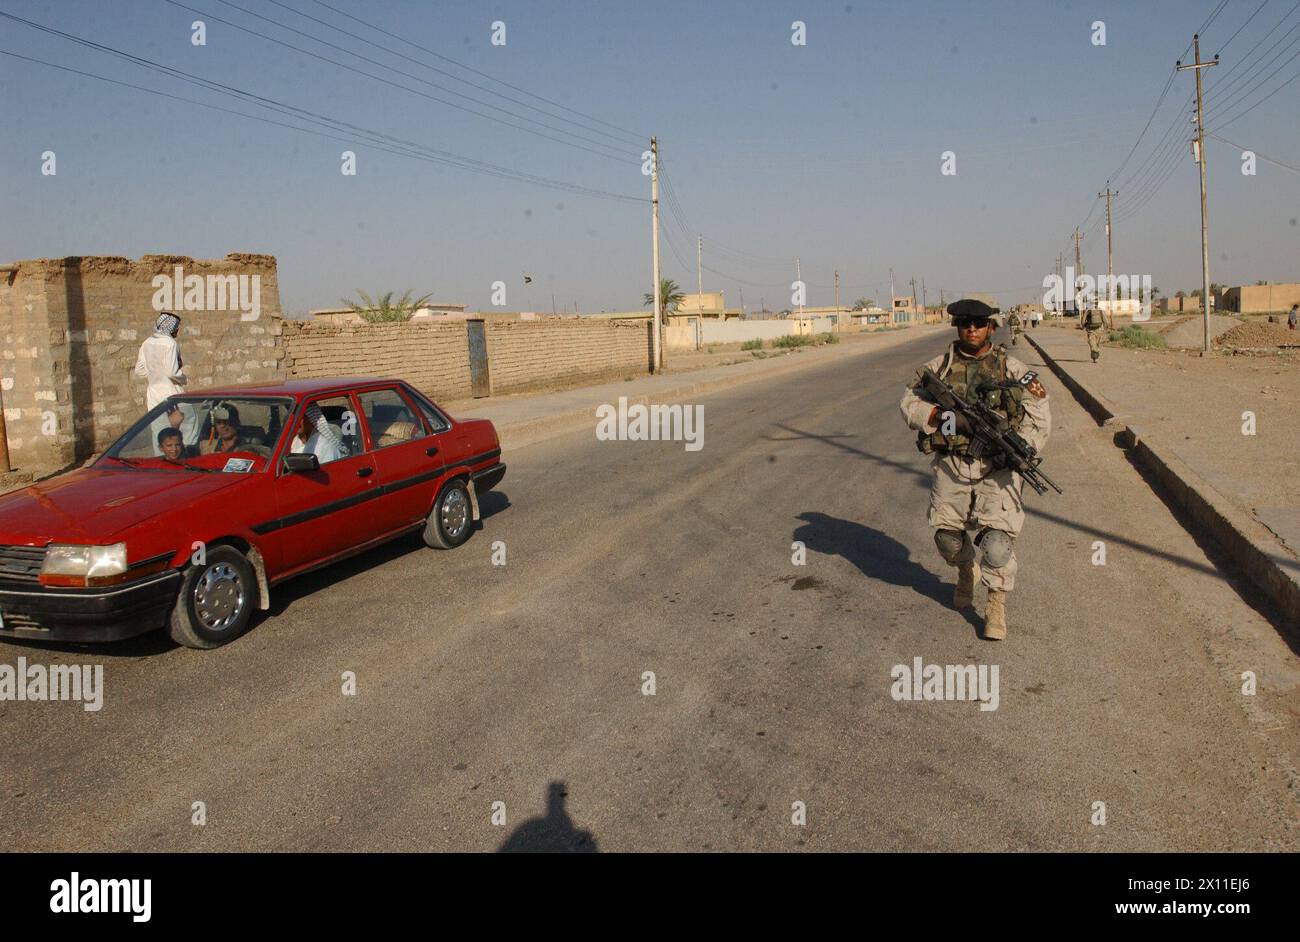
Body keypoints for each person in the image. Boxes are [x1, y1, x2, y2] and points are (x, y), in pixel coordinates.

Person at [899, 299, 1052, 640]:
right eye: (965, 322)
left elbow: (1039, 411)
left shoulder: (1013, 369)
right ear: (957, 326)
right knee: (947, 540)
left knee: (997, 545)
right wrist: (953, 420)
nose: (972, 328)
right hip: (952, 466)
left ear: (991, 328)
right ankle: (966, 568)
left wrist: (1019, 448)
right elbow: (909, 405)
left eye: (979, 323)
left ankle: (995, 603)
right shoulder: (936, 368)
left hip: (998, 470)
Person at [135, 312, 197, 451]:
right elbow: (172, 372)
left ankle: (162, 461)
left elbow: (139, 371)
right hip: (171, 392)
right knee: (188, 426)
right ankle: (189, 458)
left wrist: (155, 374)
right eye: (176, 327)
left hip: (153, 394)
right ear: (172, 328)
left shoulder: (147, 342)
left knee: (159, 431)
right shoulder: (170, 343)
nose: (177, 331)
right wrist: (183, 378)